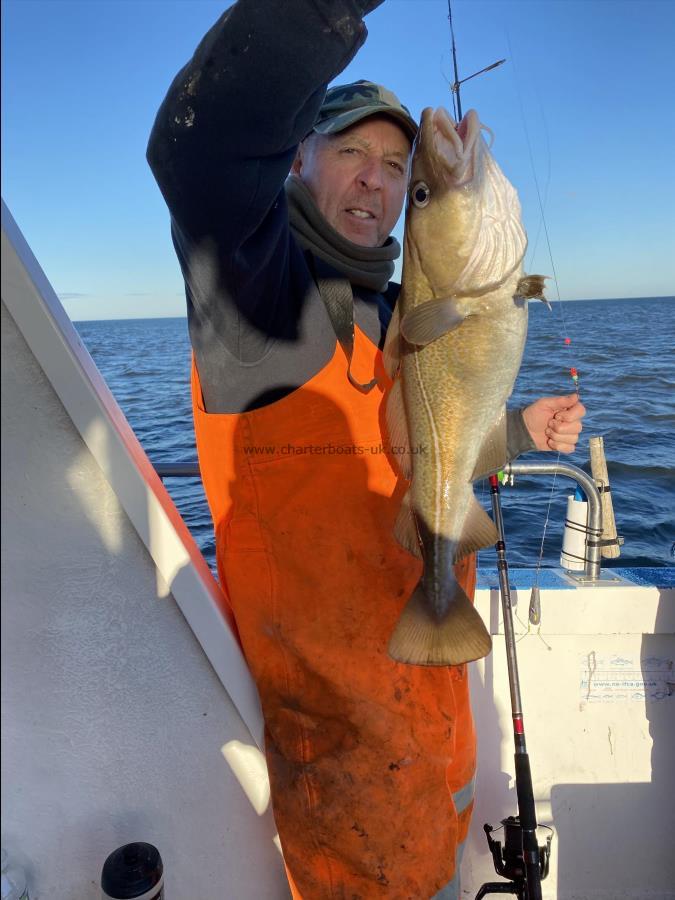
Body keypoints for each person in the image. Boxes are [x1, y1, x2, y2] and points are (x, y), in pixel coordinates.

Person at [147, 1, 585, 897]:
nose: (376, 181)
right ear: (296, 158)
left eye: (397, 169)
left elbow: (408, 459)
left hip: (436, 750)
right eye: (349, 151)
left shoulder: (396, 319)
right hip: (345, 781)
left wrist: (510, 434)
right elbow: (203, 151)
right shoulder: (258, 303)